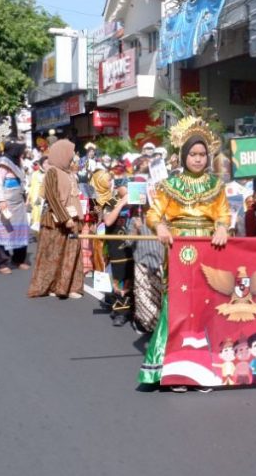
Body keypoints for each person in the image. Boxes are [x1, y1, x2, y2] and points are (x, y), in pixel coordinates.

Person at [138, 117, 231, 391]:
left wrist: (223, 227)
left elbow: (223, 214)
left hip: (208, 250)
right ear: (183, 155)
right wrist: (161, 226)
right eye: (193, 154)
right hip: (179, 251)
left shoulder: (217, 186)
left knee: (204, 306)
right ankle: (173, 370)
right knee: (177, 305)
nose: (198, 159)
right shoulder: (170, 186)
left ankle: (202, 369)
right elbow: (154, 213)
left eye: (203, 154)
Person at [26, 139, 85, 300]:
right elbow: (52, 197)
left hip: (74, 220)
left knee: (72, 255)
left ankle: (71, 287)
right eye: (70, 154)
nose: (73, 158)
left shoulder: (70, 173)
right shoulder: (52, 172)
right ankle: (51, 285)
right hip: (57, 222)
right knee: (53, 255)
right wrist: (65, 218)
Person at [91, 169, 135, 327]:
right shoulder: (111, 202)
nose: (129, 190)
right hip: (117, 248)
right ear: (118, 188)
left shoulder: (137, 203)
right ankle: (121, 312)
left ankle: (132, 310)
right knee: (120, 280)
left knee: (133, 279)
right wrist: (122, 203)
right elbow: (108, 221)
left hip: (134, 248)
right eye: (126, 187)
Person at [0, 142, 31, 274]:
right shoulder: (3, 163)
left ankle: (18, 259)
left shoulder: (16, 162)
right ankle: (2, 263)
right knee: (4, 231)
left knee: (21, 229)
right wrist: (1, 200)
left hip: (18, 201)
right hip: (6, 202)